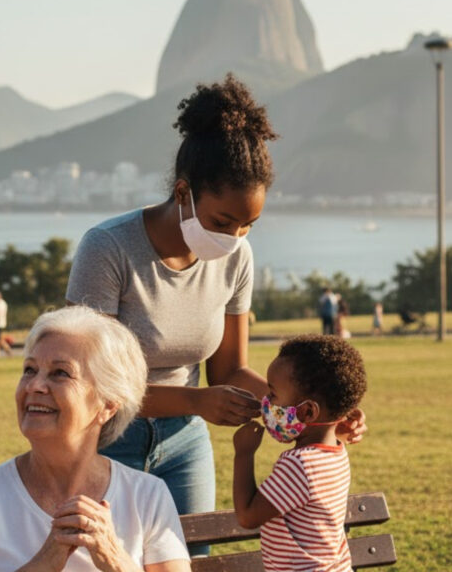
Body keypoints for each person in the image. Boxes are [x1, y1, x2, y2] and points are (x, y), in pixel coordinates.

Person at [65, 75, 366, 556]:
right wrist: (197, 400)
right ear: (183, 192)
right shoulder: (108, 249)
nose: (234, 238)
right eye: (223, 222)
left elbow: (229, 372)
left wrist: (320, 413)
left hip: (185, 444)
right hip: (105, 441)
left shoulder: (237, 258)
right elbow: (87, 384)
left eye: (249, 225)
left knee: (187, 562)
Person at [0, 306, 190, 572]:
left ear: (108, 405)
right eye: (30, 370)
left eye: (60, 373)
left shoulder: (147, 495)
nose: (34, 385)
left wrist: (114, 558)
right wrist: (46, 561)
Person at [232, 335, 367, 572]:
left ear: (307, 412)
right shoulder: (337, 452)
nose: (266, 401)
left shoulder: (299, 465)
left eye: (273, 394)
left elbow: (248, 517)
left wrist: (244, 453)